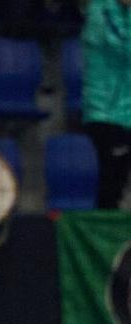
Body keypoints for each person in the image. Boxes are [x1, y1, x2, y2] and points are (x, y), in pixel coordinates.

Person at [81, 0, 131, 209]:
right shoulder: (99, 10)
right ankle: (102, 236)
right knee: (110, 183)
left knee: (119, 184)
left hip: (126, 113)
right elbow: (121, 48)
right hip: (106, 112)